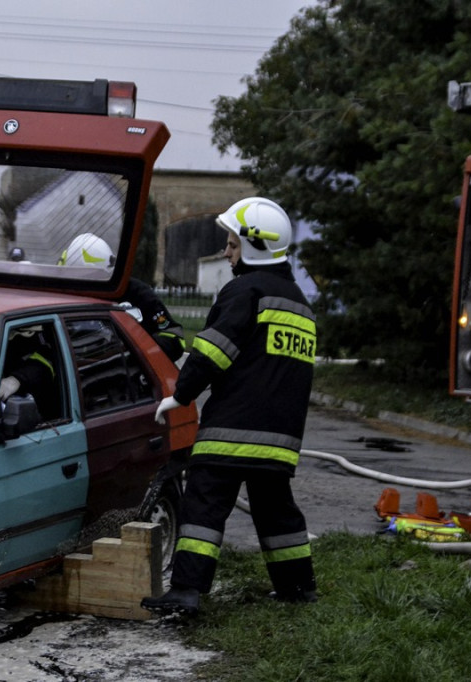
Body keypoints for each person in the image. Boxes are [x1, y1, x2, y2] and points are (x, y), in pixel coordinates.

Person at [141, 197, 317, 617]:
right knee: (278, 513)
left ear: (253, 247)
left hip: (230, 432)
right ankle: (298, 588)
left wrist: (180, 395)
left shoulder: (244, 291)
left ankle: (186, 591)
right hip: (281, 439)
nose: (225, 252)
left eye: (232, 245)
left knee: (204, 506)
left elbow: (213, 353)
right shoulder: (300, 304)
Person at [59, 233, 185, 362]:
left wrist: (134, 353)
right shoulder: (63, 299)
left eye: (92, 278)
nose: (85, 287)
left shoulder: (135, 293)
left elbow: (174, 339)